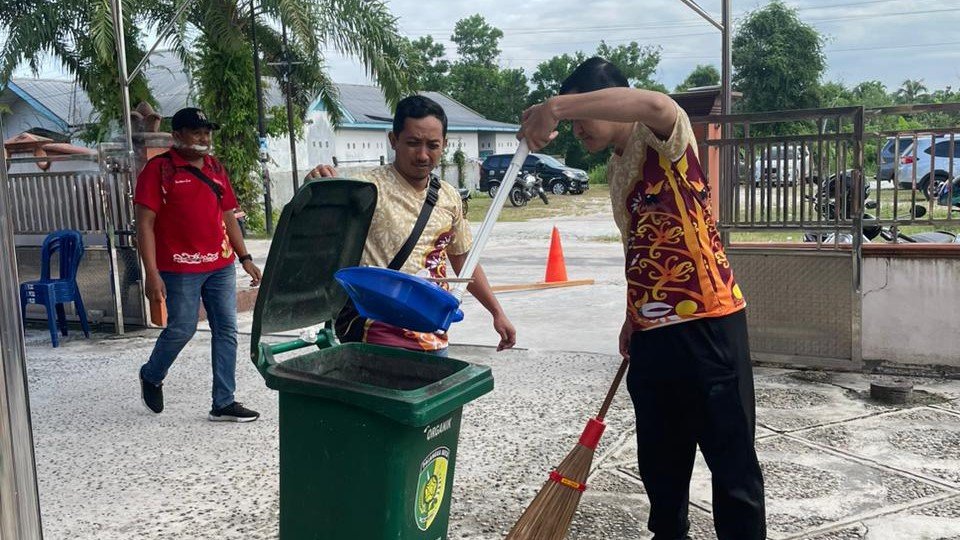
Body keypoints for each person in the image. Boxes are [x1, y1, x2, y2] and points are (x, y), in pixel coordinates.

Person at [519, 58, 765, 540]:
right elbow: (641, 245)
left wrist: (555, 106)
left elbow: (655, 102)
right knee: (660, 461)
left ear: (609, 102)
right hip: (652, 334)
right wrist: (633, 315)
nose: (577, 131)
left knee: (731, 462)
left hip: (708, 324)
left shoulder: (662, 138)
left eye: (581, 118)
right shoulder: (614, 170)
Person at [306, 95, 516, 354]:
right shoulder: (364, 190)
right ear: (393, 141)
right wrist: (316, 188)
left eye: (433, 145)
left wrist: (497, 313)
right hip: (377, 333)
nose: (423, 155)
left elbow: (463, 259)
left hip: (433, 333)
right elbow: (316, 235)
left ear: (445, 145)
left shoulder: (449, 196)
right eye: (413, 143)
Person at [135, 107, 263, 422]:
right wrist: (152, 274)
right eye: (196, 131)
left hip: (220, 264)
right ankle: (152, 374)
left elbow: (228, 215)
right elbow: (144, 225)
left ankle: (223, 401)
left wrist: (245, 258)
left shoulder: (215, 168)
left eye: (207, 131)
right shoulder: (158, 170)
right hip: (179, 268)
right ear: (177, 136)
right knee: (182, 328)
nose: (204, 137)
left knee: (227, 330)